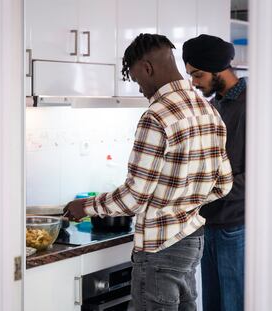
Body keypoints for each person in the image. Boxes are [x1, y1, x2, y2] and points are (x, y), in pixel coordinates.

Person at [64, 33, 233, 311]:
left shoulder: (156, 115)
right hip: (192, 241)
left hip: (159, 248)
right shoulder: (208, 109)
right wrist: (183, 202)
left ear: (147, 68)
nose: (140, 88)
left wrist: (87, 207)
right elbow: (222, 184)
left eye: (135, 78)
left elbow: (135, 198)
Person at [182, 34, 247, 311]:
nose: (194, 83)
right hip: (209, 223)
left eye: (197, 75)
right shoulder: (216, 105)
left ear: (218, 68)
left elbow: (260, 177)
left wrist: (204, 190)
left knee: (233, 305)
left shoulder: (251, 106)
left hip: (236, 224)